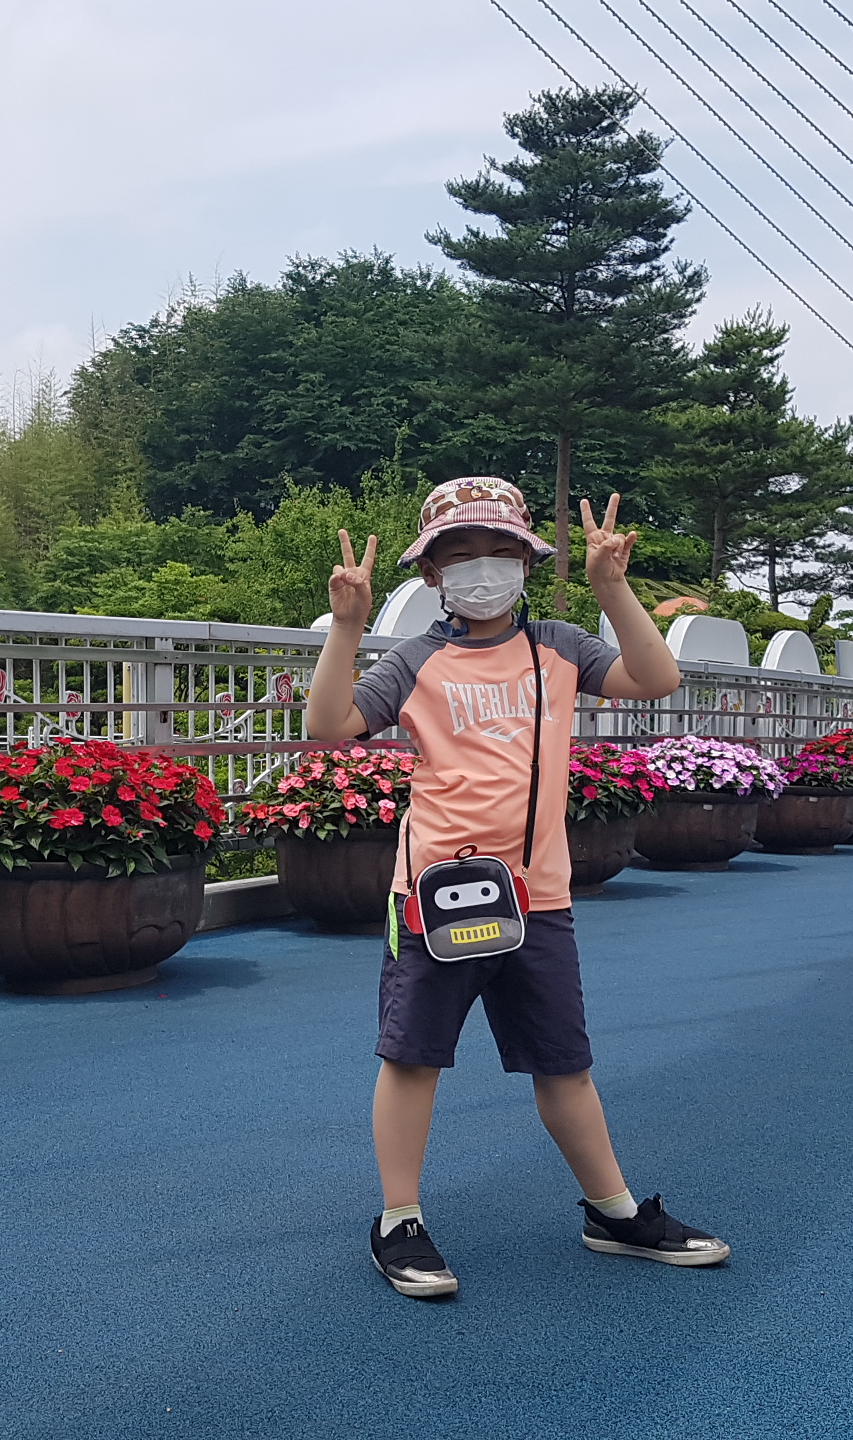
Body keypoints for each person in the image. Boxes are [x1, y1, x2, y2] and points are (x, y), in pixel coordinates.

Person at [304, 476, 728, 1300]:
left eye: (501, 551)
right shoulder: (416, 659)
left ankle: (612, 1212)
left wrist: (612, 586)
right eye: (461, 555)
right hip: (434, 894)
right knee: (412, 1057)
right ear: (432, 573)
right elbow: (329, 726)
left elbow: (656, 679)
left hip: (539, 897)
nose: (483, 569)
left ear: (529, 562)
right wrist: (348, 627)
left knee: (564, 1063)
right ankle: (398, 1220)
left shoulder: (561, 647)